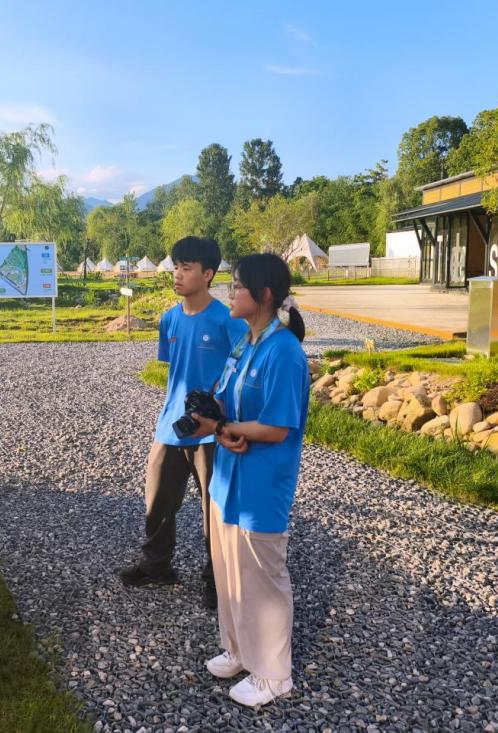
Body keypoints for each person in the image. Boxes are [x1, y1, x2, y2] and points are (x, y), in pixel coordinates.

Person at [190, 253, 310, 707]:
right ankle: (240, 650)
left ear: (263, 295)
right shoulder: (245, 342)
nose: (230, 293)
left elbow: (277, 427)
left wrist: (226, 428)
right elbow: (227, 401)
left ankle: (275, 674)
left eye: (237, 286)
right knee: (230, 572)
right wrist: (219, 425)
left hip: (262, 484)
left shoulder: (284, 352)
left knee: (263, 578)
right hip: (227, 480)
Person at [118, 237, 247, 609]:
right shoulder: (169, 319)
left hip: (209, 431)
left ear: (207, 274)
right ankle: (156, 566)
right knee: (157, 501)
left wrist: (219, 416)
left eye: (186, 268)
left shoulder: (228, 321)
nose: (177, 274)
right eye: (176, 267)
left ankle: (216, 579)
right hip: (171, 427)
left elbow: (241, 372)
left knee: (213, 510)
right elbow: (175, 372)